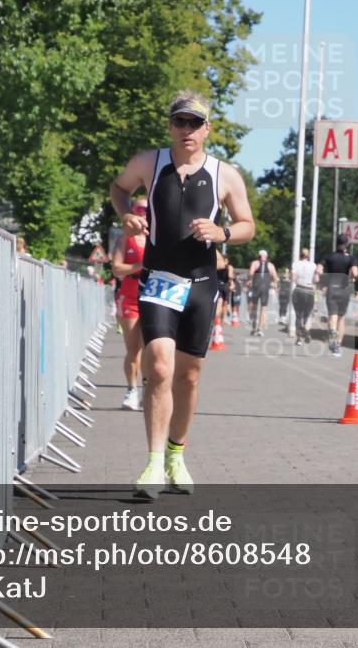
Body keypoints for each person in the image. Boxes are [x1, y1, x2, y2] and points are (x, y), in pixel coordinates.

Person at [110, 90, 255, 499]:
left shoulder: (225, 174)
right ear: (170, 125)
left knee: (188, 377)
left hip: (201, 285)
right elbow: (119, 189)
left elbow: (247, 225)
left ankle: (176, 453)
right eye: (180, 122)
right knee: (157, 367)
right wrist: (125, 215)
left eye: (195, 123)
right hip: (158, 279)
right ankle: (153, 463)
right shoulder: (148, 162)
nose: (186, 130)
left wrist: (222, 232)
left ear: (207, 129)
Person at [112, 197, 148, 410]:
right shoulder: (125, 239)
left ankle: (147, 388)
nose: (143, 213)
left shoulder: (158, 238)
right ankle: (131, 390)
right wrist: (139, 265)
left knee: (151, 348)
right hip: (131, 295)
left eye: (147, 209)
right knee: (133, 348)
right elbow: (117, 269)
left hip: (153, 295)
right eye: (139, 209)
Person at [316, 234, 358, 357]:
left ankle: (332, 331)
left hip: (332, 289)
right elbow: (355, 273)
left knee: (332, 315)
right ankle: (338, 345)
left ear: (337, 243)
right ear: (347, 245)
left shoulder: (328, 256)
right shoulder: (351, 258)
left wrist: (323, 276)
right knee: (341, 317)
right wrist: (350, 277)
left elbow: (319, 270)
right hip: (344, 289)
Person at [247, 250, 278, 336]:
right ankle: (260, 329)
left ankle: (254, 326)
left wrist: (250, 281)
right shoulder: (270, 265)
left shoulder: (255, 263)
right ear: (267, 257)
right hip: (265, 288)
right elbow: (275, 277)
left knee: (254, 307)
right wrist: (274, 284)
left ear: (259, 256)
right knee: (264, 308)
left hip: (256, 287)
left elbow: (251, 273)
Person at [291, 248, 317, 346]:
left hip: (299, 289)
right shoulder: (313, 265)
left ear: (300, 255)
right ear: (308, 256)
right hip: (309, 290)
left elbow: (293, 278)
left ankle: (298, 339)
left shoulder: (296, 264)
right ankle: (306, 331)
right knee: (307, 315)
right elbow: (316, 279)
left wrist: (297, 278)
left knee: (298, 316)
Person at [216, 250, 232, 325]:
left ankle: (220, 319)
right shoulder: (228, 267)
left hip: (222, 286)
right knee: (222, 303)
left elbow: (230, 277)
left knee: (224, 303)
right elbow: (230, 277)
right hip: (223, 286)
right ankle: (219, 320)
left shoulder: (226, 267)